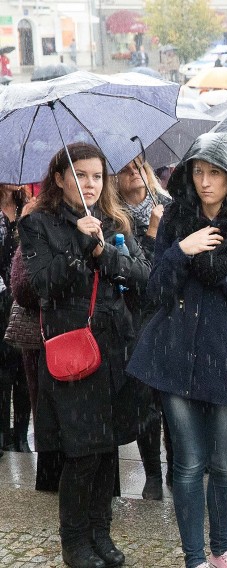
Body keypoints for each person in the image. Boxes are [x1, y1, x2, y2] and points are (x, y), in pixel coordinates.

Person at [128, 133, 227, 568]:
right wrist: (181, 250)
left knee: (226, 465)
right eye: (198, 172)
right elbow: (154, 290)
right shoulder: (176, 220)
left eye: (214, 173)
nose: (205, 182)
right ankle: (195, 557)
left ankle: (222, 549)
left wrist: (222, 270)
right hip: (178, 356)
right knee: (190, 464)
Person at [19, 143, 152, 568]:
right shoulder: (38, 224)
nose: (90, 184)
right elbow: (43, 285)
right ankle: (74, 541)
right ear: (60, 179)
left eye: (97, 176)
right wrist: (79, 242)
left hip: (113, 349)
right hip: (72, 351)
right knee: (82, 452)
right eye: (80, 175)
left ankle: (101, 532)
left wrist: (103, 251)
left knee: (107, 448)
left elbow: (142, 278)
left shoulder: (115, 221)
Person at [115, 156, 171, 500]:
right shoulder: (114, 217)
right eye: (125, 169)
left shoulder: (169, 205)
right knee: (146, 400)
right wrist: (150, 233)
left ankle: (178, 467)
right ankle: (153, 472)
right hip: (136, 319)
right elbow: (140, 277)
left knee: (175, 399)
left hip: (171, 314)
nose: (134, 172)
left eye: (139, 166)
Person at [0, 184, 29, 453]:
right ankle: (2, 432)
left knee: (23, 369)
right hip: (0, 299)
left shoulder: (27, 208)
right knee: (3, 371)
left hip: (24, 298)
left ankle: (20, 435)